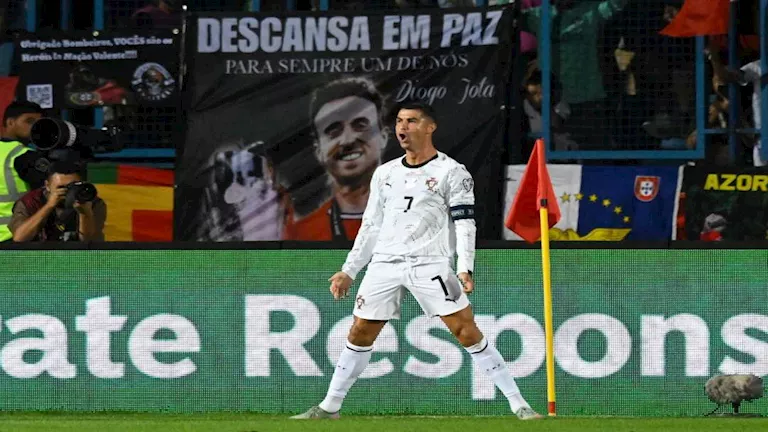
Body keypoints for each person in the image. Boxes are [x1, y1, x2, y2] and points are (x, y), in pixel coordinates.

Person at [291, 101, 543, 421]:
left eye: (411, 121)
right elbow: (371, 226)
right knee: (360, 331)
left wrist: (464, 267)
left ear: (430, 127)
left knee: (466, 331)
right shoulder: (385, 173)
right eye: (399, 121)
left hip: (430, 263)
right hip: (384, 263)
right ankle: (330, 407)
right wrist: (349, 270)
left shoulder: (452, 172)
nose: (403, 127)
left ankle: (518, 404)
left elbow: (465, 223)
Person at [283, 77, 389, 241]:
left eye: (360, 126)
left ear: (383, 137)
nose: (347, 140)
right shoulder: (302, 234)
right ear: (319, 151)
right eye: (333, 131)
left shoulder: (419, 221)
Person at [9, 161, 106, 242]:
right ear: (47, 186)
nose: (68, 191)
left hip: (75, 255)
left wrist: (85, 213)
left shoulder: (91, 202)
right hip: (39, 255)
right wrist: (48, 206)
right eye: (61, 187)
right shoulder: (30, 202)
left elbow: (90, 244)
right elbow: (19, 239)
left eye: (73, 186)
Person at [0, 101, 49, 242]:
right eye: (29, 121)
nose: (35, 127)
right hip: (17, 235)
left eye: (39, 123)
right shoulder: (24, 155)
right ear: (10, 122)